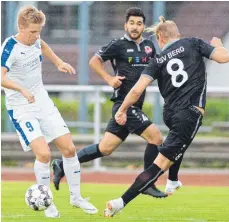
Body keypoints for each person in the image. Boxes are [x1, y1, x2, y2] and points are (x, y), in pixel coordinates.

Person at [104, 16, 229, 217]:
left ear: (160, 39)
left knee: (178, 141)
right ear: (177, 35)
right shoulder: (193, 43)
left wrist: (122, 109)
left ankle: (173, 180)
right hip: (189, 112)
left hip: (170, 114)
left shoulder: (157, 60)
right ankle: (120, 202)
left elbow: (136, 91)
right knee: (159, 165)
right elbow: (224, 58)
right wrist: (218, 44)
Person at [52, 7, 182, 198]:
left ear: (143, 26)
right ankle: (147, 183)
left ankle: (61, 164)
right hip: (125, 106)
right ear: (125, 25)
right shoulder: (118, 45)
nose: (135, 27)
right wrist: (108, 79)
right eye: (132, 23)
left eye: (139, 23)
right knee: (156, 138)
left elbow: (158, 69)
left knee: (105, 148)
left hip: (135, 106)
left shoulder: (149, 46)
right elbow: (94, 61)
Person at [1, 5, 98, 218]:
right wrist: (22, 89)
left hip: (42, 101)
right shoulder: (9, 47)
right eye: (32, 32)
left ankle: (76, 197)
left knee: (69, 149)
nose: (37, 36)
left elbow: (43, 46)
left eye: (39, 31)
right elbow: (1, 77)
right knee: (44, 154)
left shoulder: (36, 40)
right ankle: (48, 202)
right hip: (21, 107)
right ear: (21, 27)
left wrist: (59, 62)